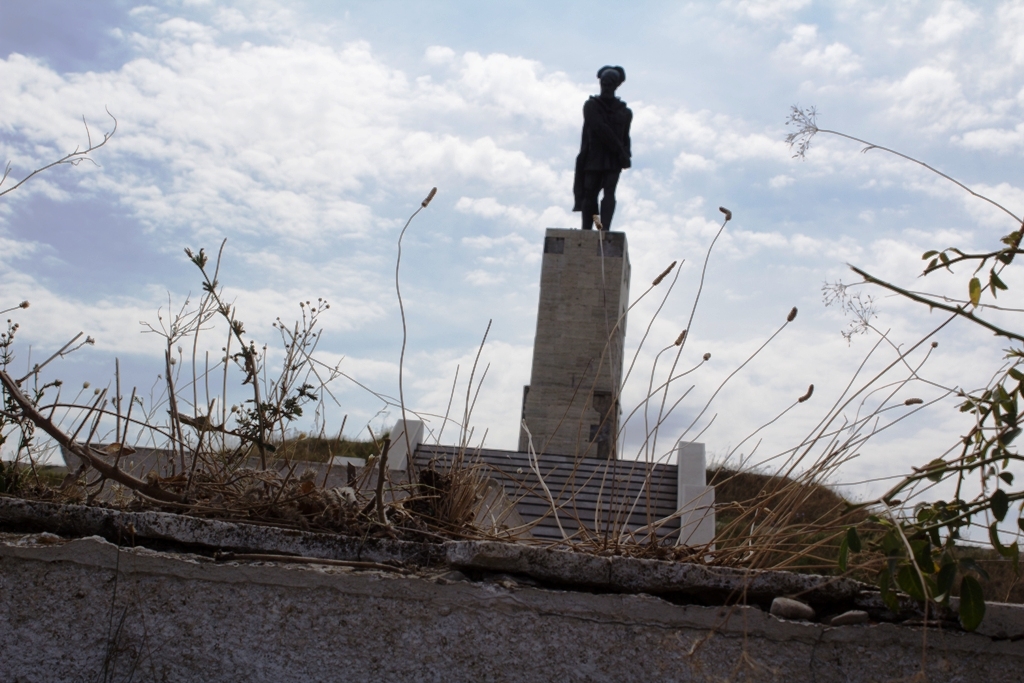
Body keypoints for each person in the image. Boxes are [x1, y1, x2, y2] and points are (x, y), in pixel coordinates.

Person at [573, 65, 632, 231]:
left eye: (610, 84)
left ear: (616, 85)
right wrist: (620, 150)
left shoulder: (624, 112)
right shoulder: (591, 105)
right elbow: (600, 128)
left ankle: (603, 229)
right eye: (604, 83)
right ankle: (590, 228)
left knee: (609, 192)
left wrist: (626, 153)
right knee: (590, 193)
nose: (606, 87)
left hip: (613, 158)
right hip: (594, 156)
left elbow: (625, 135)